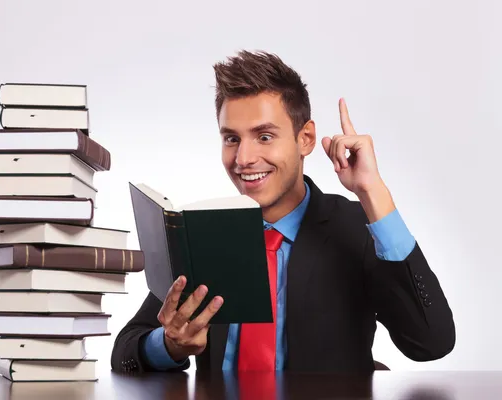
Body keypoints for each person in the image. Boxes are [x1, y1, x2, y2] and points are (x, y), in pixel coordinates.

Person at [111, 50, 455, 373]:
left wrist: (373, 192)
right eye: (231, 139)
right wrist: (170, 345)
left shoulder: (358, 229)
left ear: (305, 139)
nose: (243, 159)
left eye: (263, 136)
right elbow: (125, 350)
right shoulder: (206, 235)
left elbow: (431, 342)